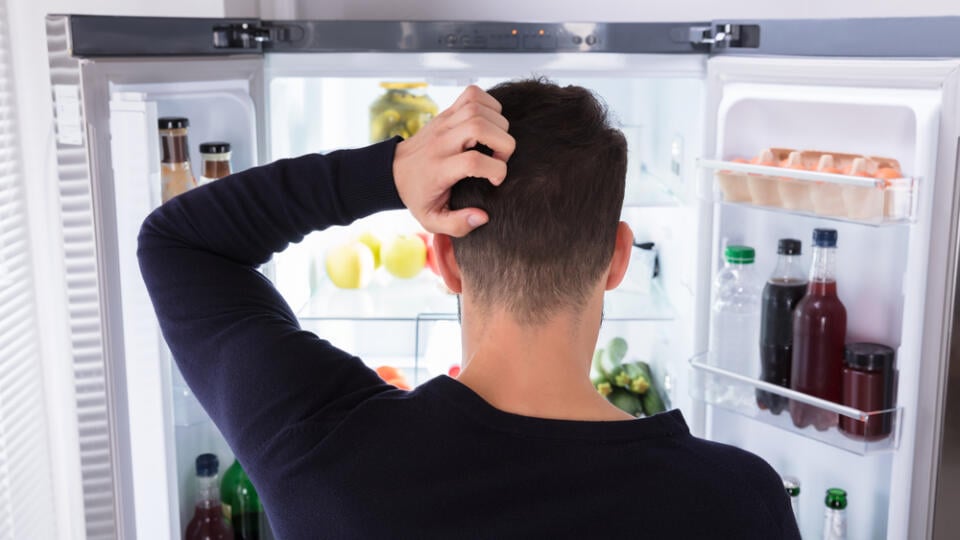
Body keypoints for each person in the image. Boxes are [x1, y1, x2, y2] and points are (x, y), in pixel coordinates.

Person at [139, 81, 800, 539]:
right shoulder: (739, 501)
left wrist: (390, 171)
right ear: (619, 259)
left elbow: (179, 243)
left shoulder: (327, 458)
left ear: (444, 260)